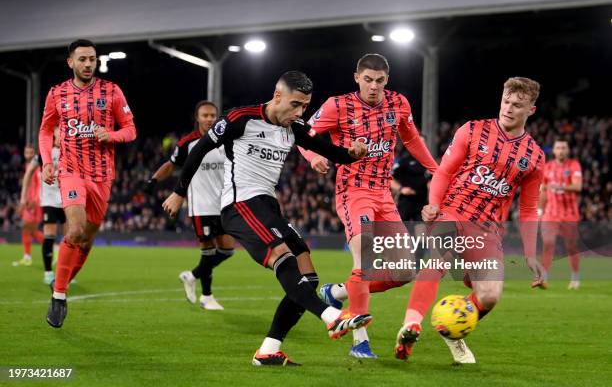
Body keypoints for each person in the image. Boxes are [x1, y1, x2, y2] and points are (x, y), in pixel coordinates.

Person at [163, 71, 371, 366]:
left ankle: (269, 349)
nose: (300, 113)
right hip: (240, 203)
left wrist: (352, 153)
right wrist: (178, 192)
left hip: (268, 206)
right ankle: (332, 316)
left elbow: (329, 151)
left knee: (307, 275)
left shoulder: (294, 127)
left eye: (305, 107)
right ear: (277, 96)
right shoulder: (241, 118)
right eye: (295, 104)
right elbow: (200, 149)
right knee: (282, 256)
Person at [395, 77, 545, 364]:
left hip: (488, 228)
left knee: (489, 295)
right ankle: (410, 324)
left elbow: (528, 208)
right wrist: (434, 205)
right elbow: (444, 172)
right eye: (506, 101)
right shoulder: (473, 130)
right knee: (436, 260)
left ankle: (453, 330)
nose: (509, 109)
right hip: (452, 212)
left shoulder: (534, 156)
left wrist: (530, 254)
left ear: (531, 110)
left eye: (517, 105)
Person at [299, 54, 438, 358]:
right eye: (368, 80)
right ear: (357, 78)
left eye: (379, 80)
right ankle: (359, 341)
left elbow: (412, 139)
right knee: (363, 257)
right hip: (353, 190)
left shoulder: (398, 103)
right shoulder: (338, 105)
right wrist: (315, 158)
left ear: (386, 80)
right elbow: (302, 134)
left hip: (384, 195)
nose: (373, 86)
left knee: (404, 272)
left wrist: (436, 170)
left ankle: (336, 292)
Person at [39, 39, 137, 328]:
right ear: (71, 62)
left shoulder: (112, 91)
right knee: (76, 228)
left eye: (92, 59)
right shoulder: (57, 93)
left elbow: (131, 130)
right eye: (82, 59)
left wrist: (111, 135)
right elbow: (45, 131)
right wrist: (47, 161)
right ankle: (59, 295)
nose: (87, 64)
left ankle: (62, 281)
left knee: (86, 238)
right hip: (70, 171)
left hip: (103, 176)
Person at [145, 100, 234, 310]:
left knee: (228, 250)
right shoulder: (188, 143)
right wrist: (154, 180)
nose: (209, 119)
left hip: (224, 204)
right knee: (208, 251)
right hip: (201, 205)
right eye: (205, 115)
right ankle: (207, 296)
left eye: (213, 115)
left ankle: (192, 275)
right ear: (197, 118)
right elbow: (171, 164)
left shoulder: (226, 140)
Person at [20, 127, 66, 283]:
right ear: (54, 132)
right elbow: (29, 173)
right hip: (50, 199)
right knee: (49, 234)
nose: (62, 133)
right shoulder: (44, 153)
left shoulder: (73, 152)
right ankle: (48, 272)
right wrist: (23, 196)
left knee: (70, 238)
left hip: (68, 199)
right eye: (60, 130)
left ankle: (66, 272)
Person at [538, 139, 582, 289]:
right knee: (548, 243)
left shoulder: (574, 165)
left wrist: (559, 186)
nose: (561, 150)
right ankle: (543, 278)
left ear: (567, 150)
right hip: (550, 213)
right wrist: (539, 210)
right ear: (554, 151)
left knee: (571, 247)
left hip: (569, 213)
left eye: (564, 147)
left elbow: (578, 186)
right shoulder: (548, 167)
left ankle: (575, 278)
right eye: (558, 148)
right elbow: (543, 191)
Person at [13, 145, 45, 266]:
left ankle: (54, 247)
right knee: (27, 230)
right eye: (26, 152)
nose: (28, 155)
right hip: (28, 203)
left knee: (30, 230)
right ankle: (27, 257)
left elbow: (40, 186)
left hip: (33, 204)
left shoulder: (36, 167)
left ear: (34, 153)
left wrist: (35, 201)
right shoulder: (27, 166)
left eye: (31, 152)